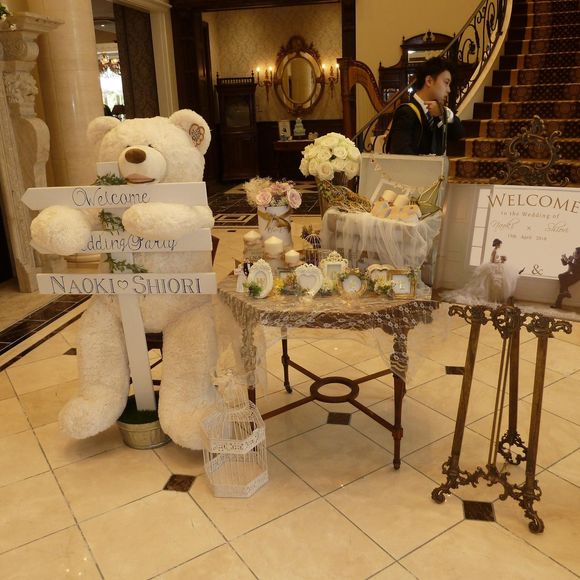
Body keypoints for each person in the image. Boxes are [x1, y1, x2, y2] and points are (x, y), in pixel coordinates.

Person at [386, 57, 465, 155]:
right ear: (429, 81)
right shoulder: (407, 112)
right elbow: (401, 153)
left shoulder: (438, 112)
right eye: (446, 83)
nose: (449, 90)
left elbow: (459, 134)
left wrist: (443, 113)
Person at [440, 238, 520, 305]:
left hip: (495, 265)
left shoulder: (496, 250)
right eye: (499, 244)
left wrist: (501, 260)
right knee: (489, 282)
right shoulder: (494, 251)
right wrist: (500, 261)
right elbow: (492, 260)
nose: (500, 246)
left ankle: (494, 298)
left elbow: (495, 260)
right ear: (497, 244)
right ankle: (490, 298)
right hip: (493, 266)